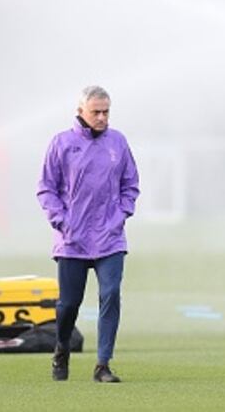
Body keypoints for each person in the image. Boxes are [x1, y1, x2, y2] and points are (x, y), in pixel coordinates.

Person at [37, 85, 140, 383]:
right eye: (96, 112)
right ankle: (62, 348)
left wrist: (120, 216)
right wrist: (62, 222)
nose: (102, 117)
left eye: (106, 111)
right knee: (69, 304)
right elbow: (46, 188)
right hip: (72, 241)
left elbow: (130, 185)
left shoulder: (117, 142)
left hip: (110, 238)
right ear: (80, 111)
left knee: (110, 295)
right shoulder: (61, 143)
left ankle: (102, 365)